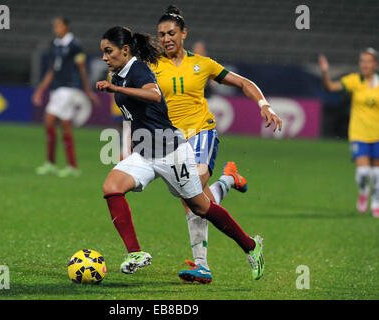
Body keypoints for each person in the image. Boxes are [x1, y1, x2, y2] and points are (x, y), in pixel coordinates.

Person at [96, 25, 268, 281]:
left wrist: (117, 90)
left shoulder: (138, 69)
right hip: (145, 153)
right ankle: (135, 253)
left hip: (171, 150)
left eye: (108, 51)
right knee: (111, 187)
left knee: (200, 207)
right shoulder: (118, 76)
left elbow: (154, 95)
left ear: (125, 50)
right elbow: (130, 116)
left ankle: (251, 247)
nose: (104, 57)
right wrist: (125, 148)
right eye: (103, 52)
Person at [150, 5, 282, 283]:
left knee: (192, 193)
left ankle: (203, 266)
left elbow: (243, 82)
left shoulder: (203, 64)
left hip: (202, 134)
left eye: (171, 32)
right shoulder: (152, 66)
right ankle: (229, 180)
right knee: (198, 202)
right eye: (161, 34)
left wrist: (264, 104)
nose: (166, 38)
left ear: (184, 33)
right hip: (173, 143)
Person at [32, 17, 98, 178]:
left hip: (68, 88)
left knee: (49, 120)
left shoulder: (75, 45)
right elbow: (52, 69)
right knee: (66, 126)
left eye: (59, 26)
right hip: (56, 89)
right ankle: (72, 166)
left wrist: (88, 90)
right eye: (55, 26)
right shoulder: (55, 44)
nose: (56, 29)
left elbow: (82, 68)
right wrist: (40, 89)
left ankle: (51, 163)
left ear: (66, 27)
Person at [319, 48, 379, 218]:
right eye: (362, 61)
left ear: (375, 64)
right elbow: (330, 87)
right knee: (363, 173)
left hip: (377, 134)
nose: (365, 64)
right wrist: (325, 72)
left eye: (368, 61)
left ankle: (375, 203)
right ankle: (363, 191)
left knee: (377, 174)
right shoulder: (355, 80)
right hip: (359, 133)